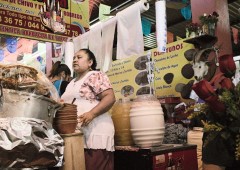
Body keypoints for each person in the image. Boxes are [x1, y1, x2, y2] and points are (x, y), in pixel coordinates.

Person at [61, 49, 116, 170]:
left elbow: (110, 97)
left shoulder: (95, 75)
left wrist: (92, 113)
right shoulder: (71, 82)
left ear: (90, 62)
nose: (75, 60)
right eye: (74, 57)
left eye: (79, 57)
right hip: (78, 135)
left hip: (96, 132)